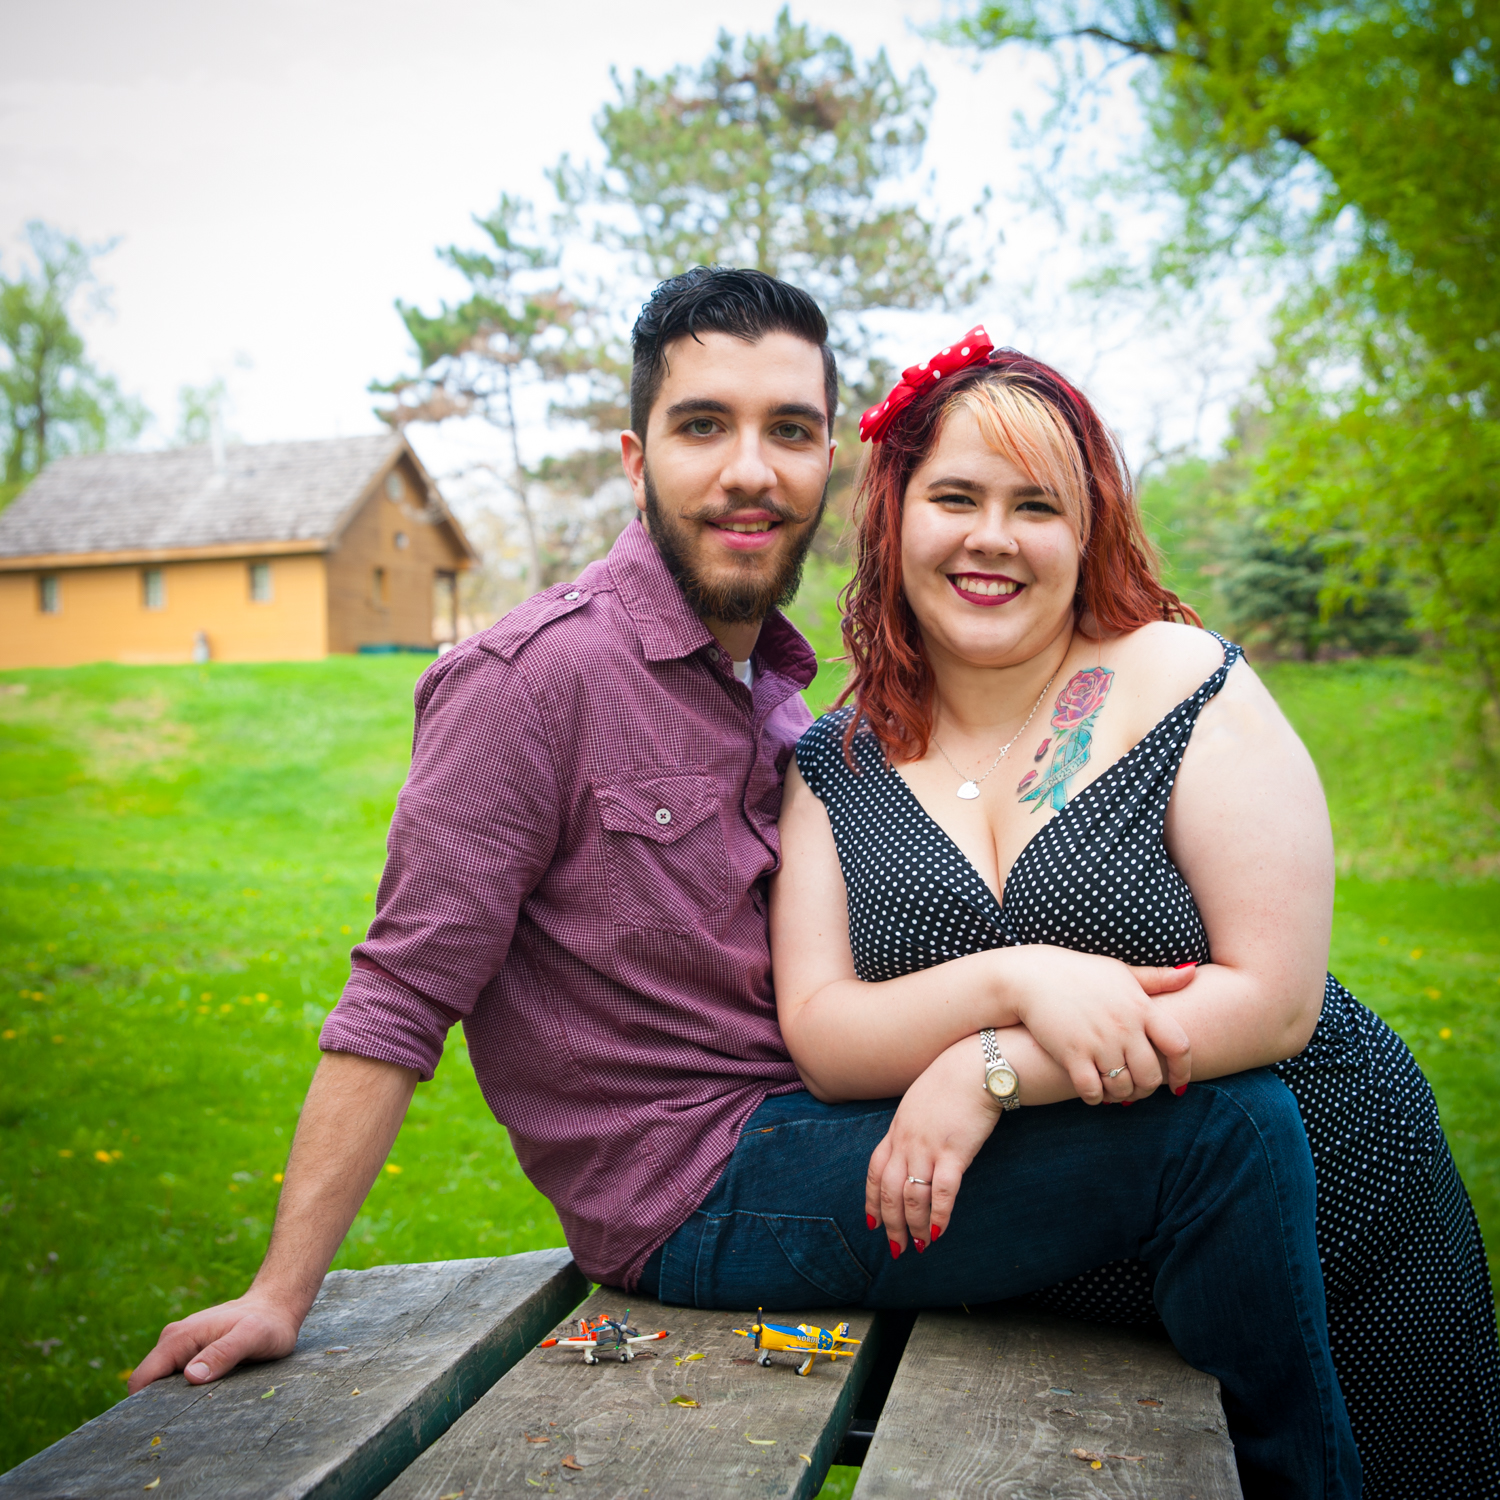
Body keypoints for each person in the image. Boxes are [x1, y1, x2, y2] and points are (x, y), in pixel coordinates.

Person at [129, 270, 1358, 1498]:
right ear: (635, 453)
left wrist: (990, 1061)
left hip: (818, 1132)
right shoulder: (526, 683)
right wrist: (283, 1293)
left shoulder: (778, 692)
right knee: (1228, 1137)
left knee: (1221, 1141)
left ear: (831, 459)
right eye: (703, 425)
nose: (749, 469)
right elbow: (398, 996)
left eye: (788, 430)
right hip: (696, 1186)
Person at [771, 329, 1500, 1500]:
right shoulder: (835, 762)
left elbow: (1273, 1002)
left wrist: (990, 1071)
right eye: (955, 496)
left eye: (1038, 506)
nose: (992, 538)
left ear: (1088, 529)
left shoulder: (1178, 677)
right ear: (893, 517)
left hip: (1337, 1213)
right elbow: (821, 1026)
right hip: (1073, 1260)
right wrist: (1013, 986)